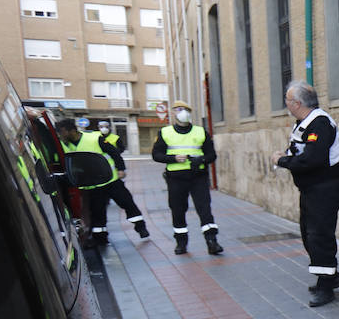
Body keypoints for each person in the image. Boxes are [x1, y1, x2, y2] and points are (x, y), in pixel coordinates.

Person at [272, 81, 339, 308]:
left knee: (319, 235)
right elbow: (300, 150)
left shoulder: (320, 124)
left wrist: (282, 161)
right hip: (312, 188)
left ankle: (326, 286)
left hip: (325, 187)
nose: (285, 103)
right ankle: (331, 276)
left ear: (296, 103)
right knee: (309, 233)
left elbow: (313, 159)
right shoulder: (304, 123)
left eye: (287, 100)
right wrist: (287, 154)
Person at [58, 118, 149, 244]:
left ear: (72, 130)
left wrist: (121, 169)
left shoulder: (94, 138)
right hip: (92, 185)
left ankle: (141, 228)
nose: (61, 135)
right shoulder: (62, 145)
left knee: (127, 203)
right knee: (97, 212)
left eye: (63, 132)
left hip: (110, 180)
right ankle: (101, 239)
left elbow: (114, 153)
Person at [151, 101, 223, 255]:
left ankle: (212, 241)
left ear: (190, 113)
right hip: (176, 178)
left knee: (204, 209)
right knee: (177, 210)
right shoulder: (165, 132)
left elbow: (212, 155)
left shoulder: (200, 132)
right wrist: (174, 158)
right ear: (173, 113)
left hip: (198, 177)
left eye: (184, 109)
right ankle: (181, 243)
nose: (181, 112)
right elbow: (156, 155)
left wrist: (201, 159)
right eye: (178, 109)